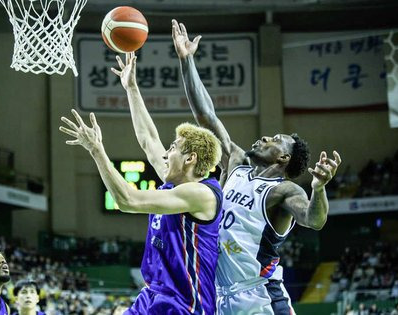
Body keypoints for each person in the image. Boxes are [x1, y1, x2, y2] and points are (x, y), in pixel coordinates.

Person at [172, 19, 342, 314]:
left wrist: (319, 188)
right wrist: (187, 61)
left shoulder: (283, 191)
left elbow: (314, 220)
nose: (264, 137)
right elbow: (206, 116)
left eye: (276, 140)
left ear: (283, 158)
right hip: (219, 296)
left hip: (260, 298)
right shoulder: (236, 163)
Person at [60, 53, 223, 313]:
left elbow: (128, 200)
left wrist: (97, 151)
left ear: (190, 159)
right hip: (154, 294)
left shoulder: (201, 194)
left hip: (185, 304)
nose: (166, 154)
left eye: (173, 148)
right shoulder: (176, 183)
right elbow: (148, 139)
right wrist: (132, 88)